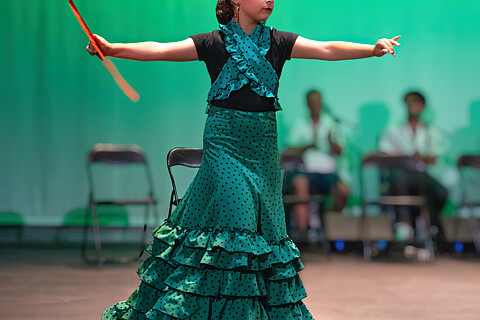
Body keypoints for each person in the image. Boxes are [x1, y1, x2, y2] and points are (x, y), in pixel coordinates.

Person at [88, 1, 400, 318]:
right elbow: (160, 50)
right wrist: (113, 48)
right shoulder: (214, 42)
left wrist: (371, 49)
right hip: (224, 141)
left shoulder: (279, 41)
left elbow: (327, 48)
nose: (269, 1)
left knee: (263, 228)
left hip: (262, 146)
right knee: (237, 223)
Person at [378, 91, 447, 247]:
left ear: (423, 106)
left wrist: (420, 157)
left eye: (415, 103)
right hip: (399, 174)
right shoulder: (394, 129)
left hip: (421, 175)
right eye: (409, 103)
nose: (412, 106)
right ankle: (405, 225)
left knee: (441, 191)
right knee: (400, 177)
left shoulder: (431, 131)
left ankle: (428, 224)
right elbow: (383, 152)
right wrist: (406, 158)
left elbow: (435, 156)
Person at [283, 90, 350, 244]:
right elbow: (288, 151)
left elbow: (341, 151)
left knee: (343, 190)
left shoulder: (331, 123)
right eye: (312, 103)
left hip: (327, 173)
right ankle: (302, 233)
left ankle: (327, 225)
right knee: (300, 183)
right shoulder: (298, 124)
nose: (315, 106)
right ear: (307, 104)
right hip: (305, 171)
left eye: (318, 102)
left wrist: (331, 142)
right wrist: (307, 146)